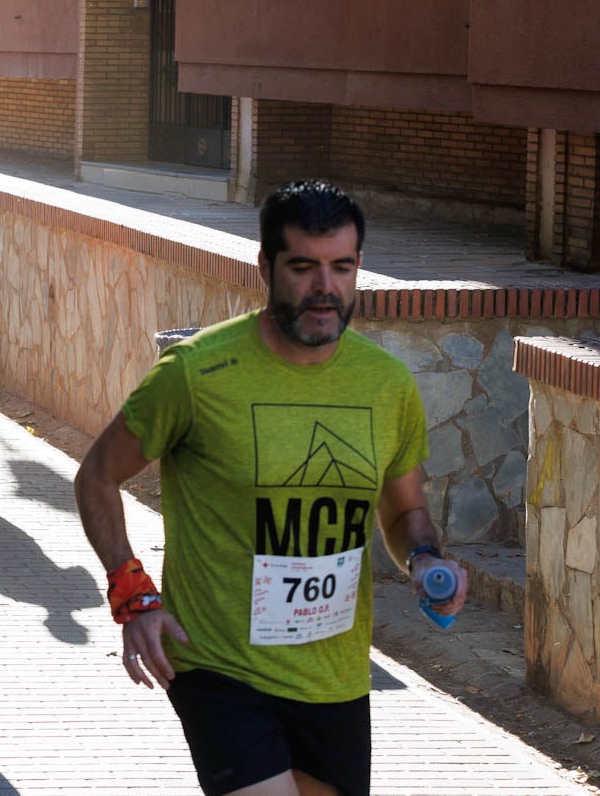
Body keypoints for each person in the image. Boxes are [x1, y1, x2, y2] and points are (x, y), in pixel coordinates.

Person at [72, 179, 468, 796]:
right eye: (304, 267)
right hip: (218, 666)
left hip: (333, 675)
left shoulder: (386, 384)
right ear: (266, 267)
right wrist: (131, 591)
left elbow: (405, 510)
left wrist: (425, 559)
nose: (324, 287)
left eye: (342, 267)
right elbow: (97, 474)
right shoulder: (197, 373)